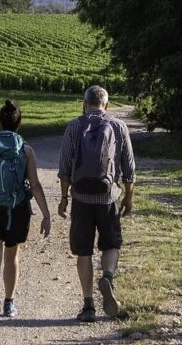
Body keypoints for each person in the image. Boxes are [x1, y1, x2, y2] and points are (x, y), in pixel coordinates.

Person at [56, 85, 135, 322]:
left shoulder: (74, 126)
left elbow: (64, 170)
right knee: (111, 244)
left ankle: (88, 305)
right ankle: (107, 278)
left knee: (83, 251)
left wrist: (63, 198)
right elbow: (129, 170)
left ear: (84, 103)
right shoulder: (118, 126)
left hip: (81, 199)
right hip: (109, 198)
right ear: (106, 105)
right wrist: (128, 196)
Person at [0, 100, 53, 323]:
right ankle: (9, 303)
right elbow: (35, 185)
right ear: (20, 123)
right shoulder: (26, 149)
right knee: (12, 257)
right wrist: (46, 215)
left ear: (0, 121)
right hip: (17, 210)